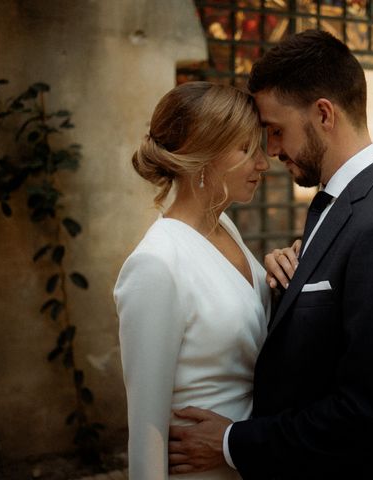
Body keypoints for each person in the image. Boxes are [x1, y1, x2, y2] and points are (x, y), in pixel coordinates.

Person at [168, 30, 373, 479]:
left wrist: (230, 442)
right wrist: (288, 287)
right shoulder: (344, 205)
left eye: (277, 131)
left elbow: (367, 415)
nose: (271, 150)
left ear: (323, 115)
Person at [113, 81, 270, 479]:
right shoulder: (156, 264)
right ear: (204, 155)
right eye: (247, 149)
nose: (263, 163)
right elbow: (146, 425)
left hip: (242, 459)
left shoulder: (225, 227)